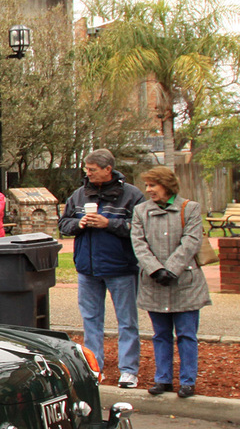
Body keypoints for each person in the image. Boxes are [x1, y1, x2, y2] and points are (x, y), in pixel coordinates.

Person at [60, 149, 146, 387]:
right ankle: (93, 367)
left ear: (108, 169)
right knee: (91, 319)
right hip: (88, 269)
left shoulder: (132, 196)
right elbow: (63, 223)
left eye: (92, 170)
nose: (88, 174)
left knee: (127, 321)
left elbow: (141, 228)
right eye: (87, 170)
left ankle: (128, 370)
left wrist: (110, 224)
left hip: (121, 268)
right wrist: (79, 223)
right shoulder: (79, 195)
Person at [131, 166, 210, 398]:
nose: (148, 190)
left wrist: (172, 269)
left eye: (153, 185)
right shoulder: (140, 211)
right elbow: (138, 243)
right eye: (147, 185)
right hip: (154, 283)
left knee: (186, 334)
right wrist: (155, 270)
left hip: (185, 282)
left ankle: (187, 381)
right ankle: (163, 379)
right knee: (160, 334)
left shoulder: (191, 208)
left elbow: (191, 241)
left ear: (166, 185)